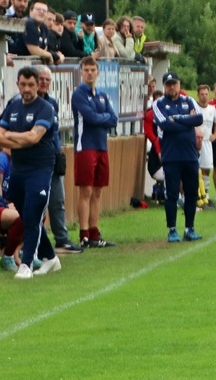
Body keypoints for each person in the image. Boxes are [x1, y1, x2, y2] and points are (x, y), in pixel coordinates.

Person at [0, 66, 61, 279]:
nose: (27, 89)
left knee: (33, 213)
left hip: (40, 168)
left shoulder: (45, 108)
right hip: (18, 169)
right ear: (18, 84)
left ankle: (25, 265)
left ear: (38, 85)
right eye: (23, 84)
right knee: (26, 215)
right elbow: (0, 135)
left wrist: (12, 135)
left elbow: (34, 138)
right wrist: (21, 137)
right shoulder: (13, 106)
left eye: (31, 85)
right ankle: (51, 258)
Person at [71, 55, 118, 248]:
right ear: (81, 72)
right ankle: (83, 234)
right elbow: (90, 118)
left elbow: (114, 119)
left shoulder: (102, 95)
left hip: (101, 146)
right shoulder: (78, 94)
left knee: (97, 190)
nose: (90, 73)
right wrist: (103, 117)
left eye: (93, 70)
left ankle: (94, 232)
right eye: (86, 70)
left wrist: (102, 117)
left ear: (98, 72)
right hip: (85, 146)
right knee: (86, 190)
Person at [152, 71, 203, 243]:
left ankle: (190, 228)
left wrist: (178, 119)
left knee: (191, 193)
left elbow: (198, 119)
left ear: (179, 84)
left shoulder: (188, 100)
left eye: (174, 83)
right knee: (172, 194)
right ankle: (172, 229)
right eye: (168, 84)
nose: (171, 87)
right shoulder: (159, 103)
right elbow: (165, 124)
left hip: (190, 155)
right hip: (171, 156)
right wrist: (186, 121)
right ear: (164, 86)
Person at [38, 65, 80, 254]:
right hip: (36, 160)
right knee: (38, 203)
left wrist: (60, 152)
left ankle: (61, 239)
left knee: (58, 200)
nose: (44, 82)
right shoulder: (23, 103)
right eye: (41, 79)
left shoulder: (52, 103)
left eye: (47, 79)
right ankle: (36, 242)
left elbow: (55, 131)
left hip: (54, 157)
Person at [0, 148, 26, 271]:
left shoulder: (16, 161)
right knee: (21, 218)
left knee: (37, 214)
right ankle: (7, 256)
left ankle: (17, 253)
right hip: (1, 206)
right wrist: (5, 205)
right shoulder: (2, 158)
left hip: (5, 205)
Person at [196, 84, 216, 205]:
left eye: (206, 94)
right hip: (196, 143)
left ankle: (206, 193)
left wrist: (215, 135)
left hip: (207, 143)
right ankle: (197, 195)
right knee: (196, 170)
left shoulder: (212, 109)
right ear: (198, 95)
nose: (204, 97)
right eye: (202, 94)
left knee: (206, 169)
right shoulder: (194, 108)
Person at [143, 89, 164, 203]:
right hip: (156, 146)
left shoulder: (168, 112)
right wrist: (157, 142)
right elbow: (148, 131)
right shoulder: (150, 114)